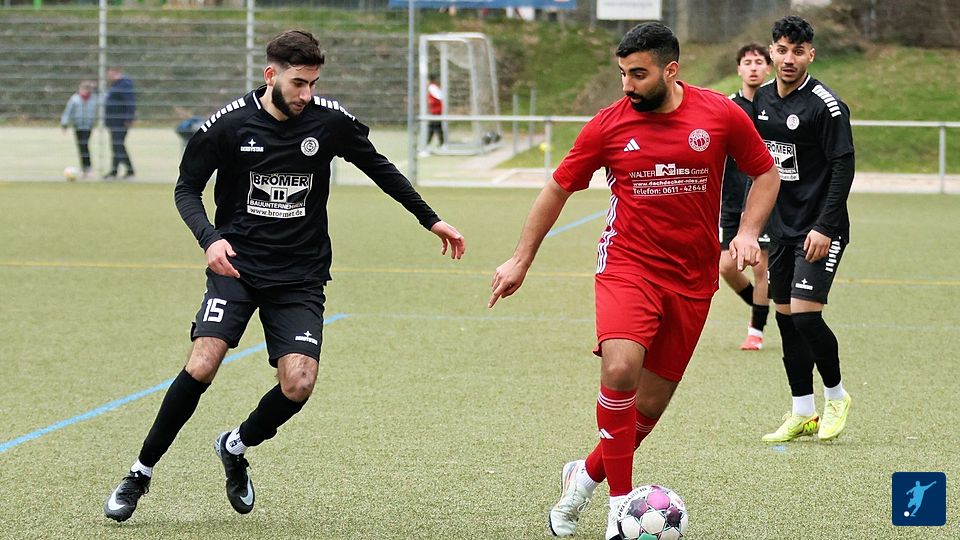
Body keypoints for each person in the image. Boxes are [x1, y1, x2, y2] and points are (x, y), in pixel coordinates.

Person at [103, 29, 466, 523]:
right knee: (202, 363)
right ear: (270, 74)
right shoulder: (229, 125)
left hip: (300, 275)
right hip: (236, 266)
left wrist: (431, 219)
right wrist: (209, 239)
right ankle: (139, 473)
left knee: (298, 383)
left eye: (313, 83)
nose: (306, 94)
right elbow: (186, 188)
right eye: (298, 83)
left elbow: (379, 167)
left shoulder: (328, 121)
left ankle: (235, 445)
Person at [488, 22, 779, 540]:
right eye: (622, 73)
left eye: (638, 74)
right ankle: (620, 509)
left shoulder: (719, 114)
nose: (627, 85)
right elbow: (557, 188)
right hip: (628, 265)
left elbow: (765, 172)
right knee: (621, 368)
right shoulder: (608, 125)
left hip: (692, 278)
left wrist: (748, 232)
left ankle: (582, 478)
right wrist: (520, 259)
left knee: (647, 409)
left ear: (671, 70)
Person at [753, 15, 855, 443]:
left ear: (810, 54)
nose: (788, 59)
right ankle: (802, 411)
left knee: (807, 316)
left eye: (797, 51)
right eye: (781, 50)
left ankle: (837, 396)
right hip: (781, 228)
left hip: (819, 229)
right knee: (786, 319)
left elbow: (843, 167)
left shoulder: (825, 106)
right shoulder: (761, 99)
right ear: (771, 52)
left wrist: (825, 226)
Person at [720, 43, 773, 350]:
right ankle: (762, 302)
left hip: (762, 199)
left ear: (768, 68)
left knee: (760, 266)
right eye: (747, 62)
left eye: (758, 62)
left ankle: (756, 330)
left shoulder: (775, 106)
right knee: (726, 266)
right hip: (731, 200)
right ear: (739, 69)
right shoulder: (727, 107)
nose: (753, 67)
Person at [60, 80, 98, 179]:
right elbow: (68, 112)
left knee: (84, 145)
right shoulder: (75, 99)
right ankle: (85, 169)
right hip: (78, 126)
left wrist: (96, 87)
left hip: (88, 126)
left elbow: (103, 97)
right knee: (81, 147)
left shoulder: (94, 99)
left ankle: (87, 168)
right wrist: (64, 123)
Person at [104, 67, 136, 179]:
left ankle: (129, 169)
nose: (109, 76)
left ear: (117, 72)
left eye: (110, 74)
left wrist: (128, 118)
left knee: (118, 145)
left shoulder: (125, 84)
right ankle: (114, 171)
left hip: (120, 121)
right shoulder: (116, 85)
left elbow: (130, 102)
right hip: (113, 121)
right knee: (116, 145)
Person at [426, 73, 445, 148]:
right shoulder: (433, 87)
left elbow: (439, 97)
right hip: (435, 111)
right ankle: (440, 143)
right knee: (435, 127)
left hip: (436, 112)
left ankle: (428, 144)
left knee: (434, 127)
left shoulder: (432, 87)